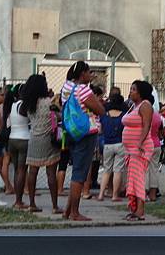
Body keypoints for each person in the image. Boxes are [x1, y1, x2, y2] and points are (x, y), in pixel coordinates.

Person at [60, 61, 105, 221]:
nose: (91, 75)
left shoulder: (66, 87)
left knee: (76, 171)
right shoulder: (83, 90)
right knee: (80, 173)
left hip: (71, 131)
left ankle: (67, 210)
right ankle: (75, 212)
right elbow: (100, 110)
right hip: (86, 132)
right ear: (82, 74)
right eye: (88, 72)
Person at [22, 75, 62, 214]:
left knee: (32, 172)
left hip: (34, 139)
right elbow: (59, 117)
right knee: (51, 173)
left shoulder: (29, 104)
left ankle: (32, 203)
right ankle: (55, 206)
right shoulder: (50, 102)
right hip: (48, 140)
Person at [122, 80, 154, 221]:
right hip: (131, 149)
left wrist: (139, 142)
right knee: (133, 180)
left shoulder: (145, 106)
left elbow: (147, 126)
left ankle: (140, 210)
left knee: (138, 179)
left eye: (134, 89)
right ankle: (134, 208)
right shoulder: (133, 107)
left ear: (141, 92)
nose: (131, 91)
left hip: (140, 148)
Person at [97, 92, 126, 202]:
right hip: (120, 144)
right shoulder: (123, 115)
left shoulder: (104, 115)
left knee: (106, 170)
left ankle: (101, 194)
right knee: (117, 170)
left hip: (107, 144)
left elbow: (100, 130)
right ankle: (114, 195)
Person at [7, 84, 30, 209]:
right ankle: (19, 201)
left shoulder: (12, 105)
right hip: (24, 139)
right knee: (22, 171)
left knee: (16, 170)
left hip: (12, 139)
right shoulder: (25, 106)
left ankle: (17, 200)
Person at [146, 97, 164, 202]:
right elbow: (161, 129)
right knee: (154, 170)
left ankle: (143, 193)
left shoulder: (143, 113)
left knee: (144, 170)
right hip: (156, 144)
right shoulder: (157, 116)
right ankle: (153, 194)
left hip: (146, 144)